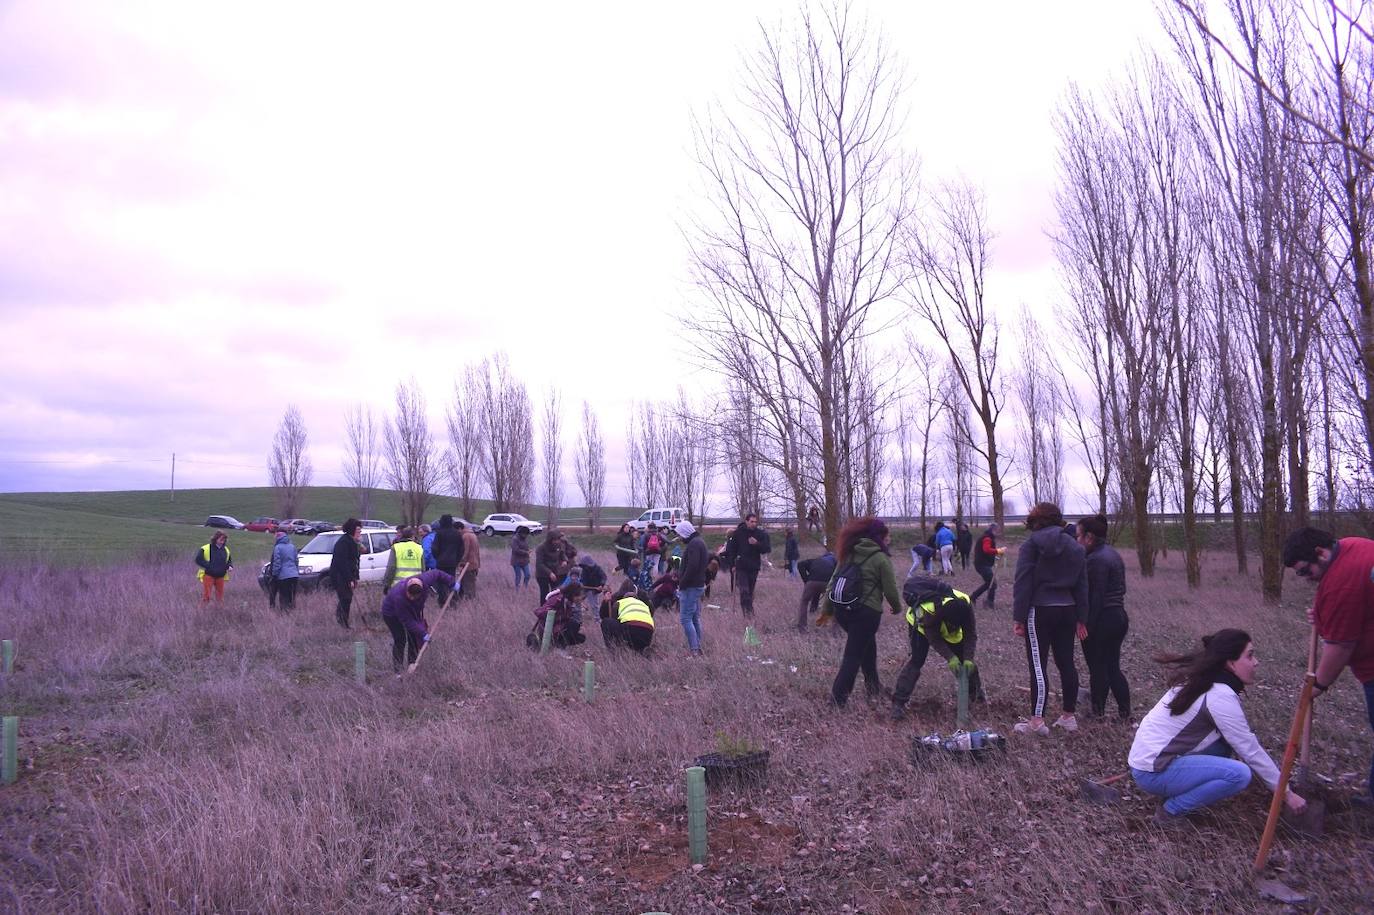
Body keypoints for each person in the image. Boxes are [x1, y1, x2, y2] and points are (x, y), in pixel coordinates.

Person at [1128, 629, 1307, 827]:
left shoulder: (1203, 680)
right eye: (1249, 655)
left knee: (1223, 744)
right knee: (1240, 775)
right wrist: (1286, 794)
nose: (1256, 662)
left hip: (1148, 762)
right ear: (1230, 663)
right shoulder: (1219, 695)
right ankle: (1170, 812)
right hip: (1153, 772)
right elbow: (1250, 750)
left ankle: (1178, 789)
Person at [1283, 526, 1374, 806]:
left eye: (1304, 571)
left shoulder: (1341, 583)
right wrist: (1323, 613)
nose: (1305, 579)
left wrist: (1317, 685)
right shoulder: (1353, 546)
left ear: (1320, 553)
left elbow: (1340, 646)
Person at [1012, 502, 1088, 736]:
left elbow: (1023, 582)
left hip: (1040, 610)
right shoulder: (1076, 548)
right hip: (1068, 610)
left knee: (1038, 664)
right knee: (1066, 663)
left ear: (1035, 520)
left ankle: (1037, 722)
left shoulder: (1030, 545)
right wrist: (1082, 617)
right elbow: (1082, 584)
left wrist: (1019, 617)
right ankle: (1068, 716)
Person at [820, 516, 904, 707]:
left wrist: (827, 610)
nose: (889, 540)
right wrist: (897, 607)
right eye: (887, 536)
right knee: (853, 656)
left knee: (867, 645)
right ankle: (837, 700)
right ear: (879, 537)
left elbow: (833, 582)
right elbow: (890, 588)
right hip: (866, 613)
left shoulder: (848, 553)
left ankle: (873, 687)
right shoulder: (880, 558)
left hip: (843, 611)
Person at [891, 576, 984, 720]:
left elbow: (970, 635)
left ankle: (976, 696)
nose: (954, 629)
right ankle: (898, 704)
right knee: (917, 660)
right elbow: (934, 638)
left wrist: (968, 659)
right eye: (952, 626)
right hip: (921, 626)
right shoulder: (932, 611)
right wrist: (950, 657)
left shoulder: (965, 606)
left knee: (965, 660)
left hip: (941, 620)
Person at [1078, 515, 1130, 720]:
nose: (1077, 541)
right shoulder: (1112, 554)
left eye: (1078, 536)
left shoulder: (1095, 560)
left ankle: (1097, 712)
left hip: (1103, 619)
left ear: (1089, 537)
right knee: (1112, 667)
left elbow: (1095, 596)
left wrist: (1086, 625)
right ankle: (1125, 714)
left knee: (1099, 669)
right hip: (1118, 616)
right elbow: (1121, 588)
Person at [381, 569, 456, 673]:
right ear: (407, 590)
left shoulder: (425, 580)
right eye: (409, 595)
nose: (411, 597)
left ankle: (412, 665)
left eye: (414, 597)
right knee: (400, 639)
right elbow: (408, 621)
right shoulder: (399, 597)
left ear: (421, 592)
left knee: (413, 637)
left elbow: (438, 573)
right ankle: (398, 671)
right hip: (391, 614)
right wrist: (423, 633)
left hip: (411, 610)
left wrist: (451, 582)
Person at [726, 513, 772, 619]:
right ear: (746, 521)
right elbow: (732, 550)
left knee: (750, 592)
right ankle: (747, 614)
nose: (754, 524)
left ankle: (749, 612)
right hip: (741, 566)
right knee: (744, 590)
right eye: (751, 522)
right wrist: (732, 564)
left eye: (755, 522)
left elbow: (767, 549)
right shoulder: (738, 533)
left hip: (754, 566)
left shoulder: (760, 534)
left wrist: (757, 544)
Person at [676, 521, 709, 656]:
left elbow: (692, 566)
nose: (680, 538)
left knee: (685, 619)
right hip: (697, 585)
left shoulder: (694, 544)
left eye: (680, 535)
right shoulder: (698, 542)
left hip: (690, 587)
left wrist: (682, 582)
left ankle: (694, 651)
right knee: (695, 618)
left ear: (685, 532)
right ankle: (697, 647)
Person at [526, 582, 588, 650]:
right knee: (574, 624)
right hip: (547, 629)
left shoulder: (568, 601)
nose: (580, 600)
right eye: (579, 597)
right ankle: (559, 647)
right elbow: (540, 612)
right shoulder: (558, 599)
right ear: (573, 594)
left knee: (581, 637)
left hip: (558, 627)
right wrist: (556, 615)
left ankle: (556, 645)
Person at [600, 579, 655, 654]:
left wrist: (605, 602)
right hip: (648, 633)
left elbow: (613, 620)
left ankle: (613, 651)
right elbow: (651, 613)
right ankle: (642, 650)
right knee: (638, 639)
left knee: (606, 622)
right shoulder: (644, 604)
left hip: (630, 631)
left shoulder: (619, 602)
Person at [331, 519, 363, 629]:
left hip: (349, 575)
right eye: (358, 530)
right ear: (351, 530)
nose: (360, 532)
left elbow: (355, 561)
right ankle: (343, 623)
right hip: (340, 576)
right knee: (345, 599)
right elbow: (342, 563)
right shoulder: (343, 542)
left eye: (360, 529)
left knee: (347, 599)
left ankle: (342, 621)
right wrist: (349, 579)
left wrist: (355, 578)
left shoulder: (353, 542)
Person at [796, 549, 837, 634]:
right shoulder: (835, 561)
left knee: (804, 602)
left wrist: (806, 580)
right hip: (828, 582)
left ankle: (802, 627)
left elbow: (800, 564)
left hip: (812, 582)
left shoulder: (816, 560)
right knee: (834, 603)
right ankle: (834, 629)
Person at [968, 523, 1004, 608]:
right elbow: (986, 550)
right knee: (992, 583)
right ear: (993, 530)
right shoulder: (987, 538)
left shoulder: (988, 537)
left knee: (990, 583)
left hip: (982, 563)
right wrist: (998, 551)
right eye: (997, 531)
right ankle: (988, 602)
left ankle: (973, 597)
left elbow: (987, 552)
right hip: (981, 564)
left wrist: (996, 555)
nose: (998, 533)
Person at [431, 515, 464, 603]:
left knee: (441, 582)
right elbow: (461, 549)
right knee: (451, 581)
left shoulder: (439, 533)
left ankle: (442, 601)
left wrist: (438, 558)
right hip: (452, 563)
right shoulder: (457, 533)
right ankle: (453, 601)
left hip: (441, 563)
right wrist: (457, 560)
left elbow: (434, 548)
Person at [383, 527, 425, 592]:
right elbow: (423, 569)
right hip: (415, 584)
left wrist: (387, 584)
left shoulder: (396, 547)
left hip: (398, 585)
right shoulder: (419, 548)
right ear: (413, 536)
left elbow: (391, 567)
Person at [195, 531, 232, 603]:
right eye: (221, 539)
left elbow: (229, 560)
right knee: (207, 596)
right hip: (208, 575)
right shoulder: (205, 548)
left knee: (220, 598)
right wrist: (208, 566)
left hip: (221, 576)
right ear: (215, 538)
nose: (222, 542)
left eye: (224, 540)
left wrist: (230, 566)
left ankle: (219, 611)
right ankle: (202, 611)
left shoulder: (226, 550)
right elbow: (198, 560)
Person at [267, 530, 300, 611]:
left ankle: (284, 612)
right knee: (291, 595)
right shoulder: (292, 546)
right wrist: (296, 571)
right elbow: (296, 561)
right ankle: (292, 610)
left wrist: (274, 575)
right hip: (294, 575)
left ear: (278, 538)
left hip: (283, 576)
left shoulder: (277, 547)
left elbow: (277, 563)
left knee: (283, 595)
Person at [535, 530, 570, 602]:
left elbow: (562, 554)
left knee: (555, 592)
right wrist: (550, 573)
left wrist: (564, 560)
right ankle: (544, 611)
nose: (558, 541)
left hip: (555, 572)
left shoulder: (559, 545)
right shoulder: (541, 548)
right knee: (545, 594)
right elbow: (539, 564)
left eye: (558, 539)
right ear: (550, 540)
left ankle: (554, 610)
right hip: (542, 575)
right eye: (556, 540)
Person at [459, 521, 481, 600]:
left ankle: (470, 601)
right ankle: (468, 599)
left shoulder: (466, 536)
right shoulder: (473, 534)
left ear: (459, 529)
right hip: (475, 563)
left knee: (468, 584)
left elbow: (465, 551)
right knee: (471, 583)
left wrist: (461, 563)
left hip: (469, 565)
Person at [510, 526, 533, 590]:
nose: (526, 536)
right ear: (521, 533)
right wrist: (526, 552)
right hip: (516, 561)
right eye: (525, 534)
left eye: (526, 534)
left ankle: (525, 588)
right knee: (518, 576)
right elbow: (515, 550)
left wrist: (528, 551)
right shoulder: (515, 539)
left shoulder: (524, 539)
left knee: (528, 575)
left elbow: (525, 547)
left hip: (525, 561)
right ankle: (517, 589)